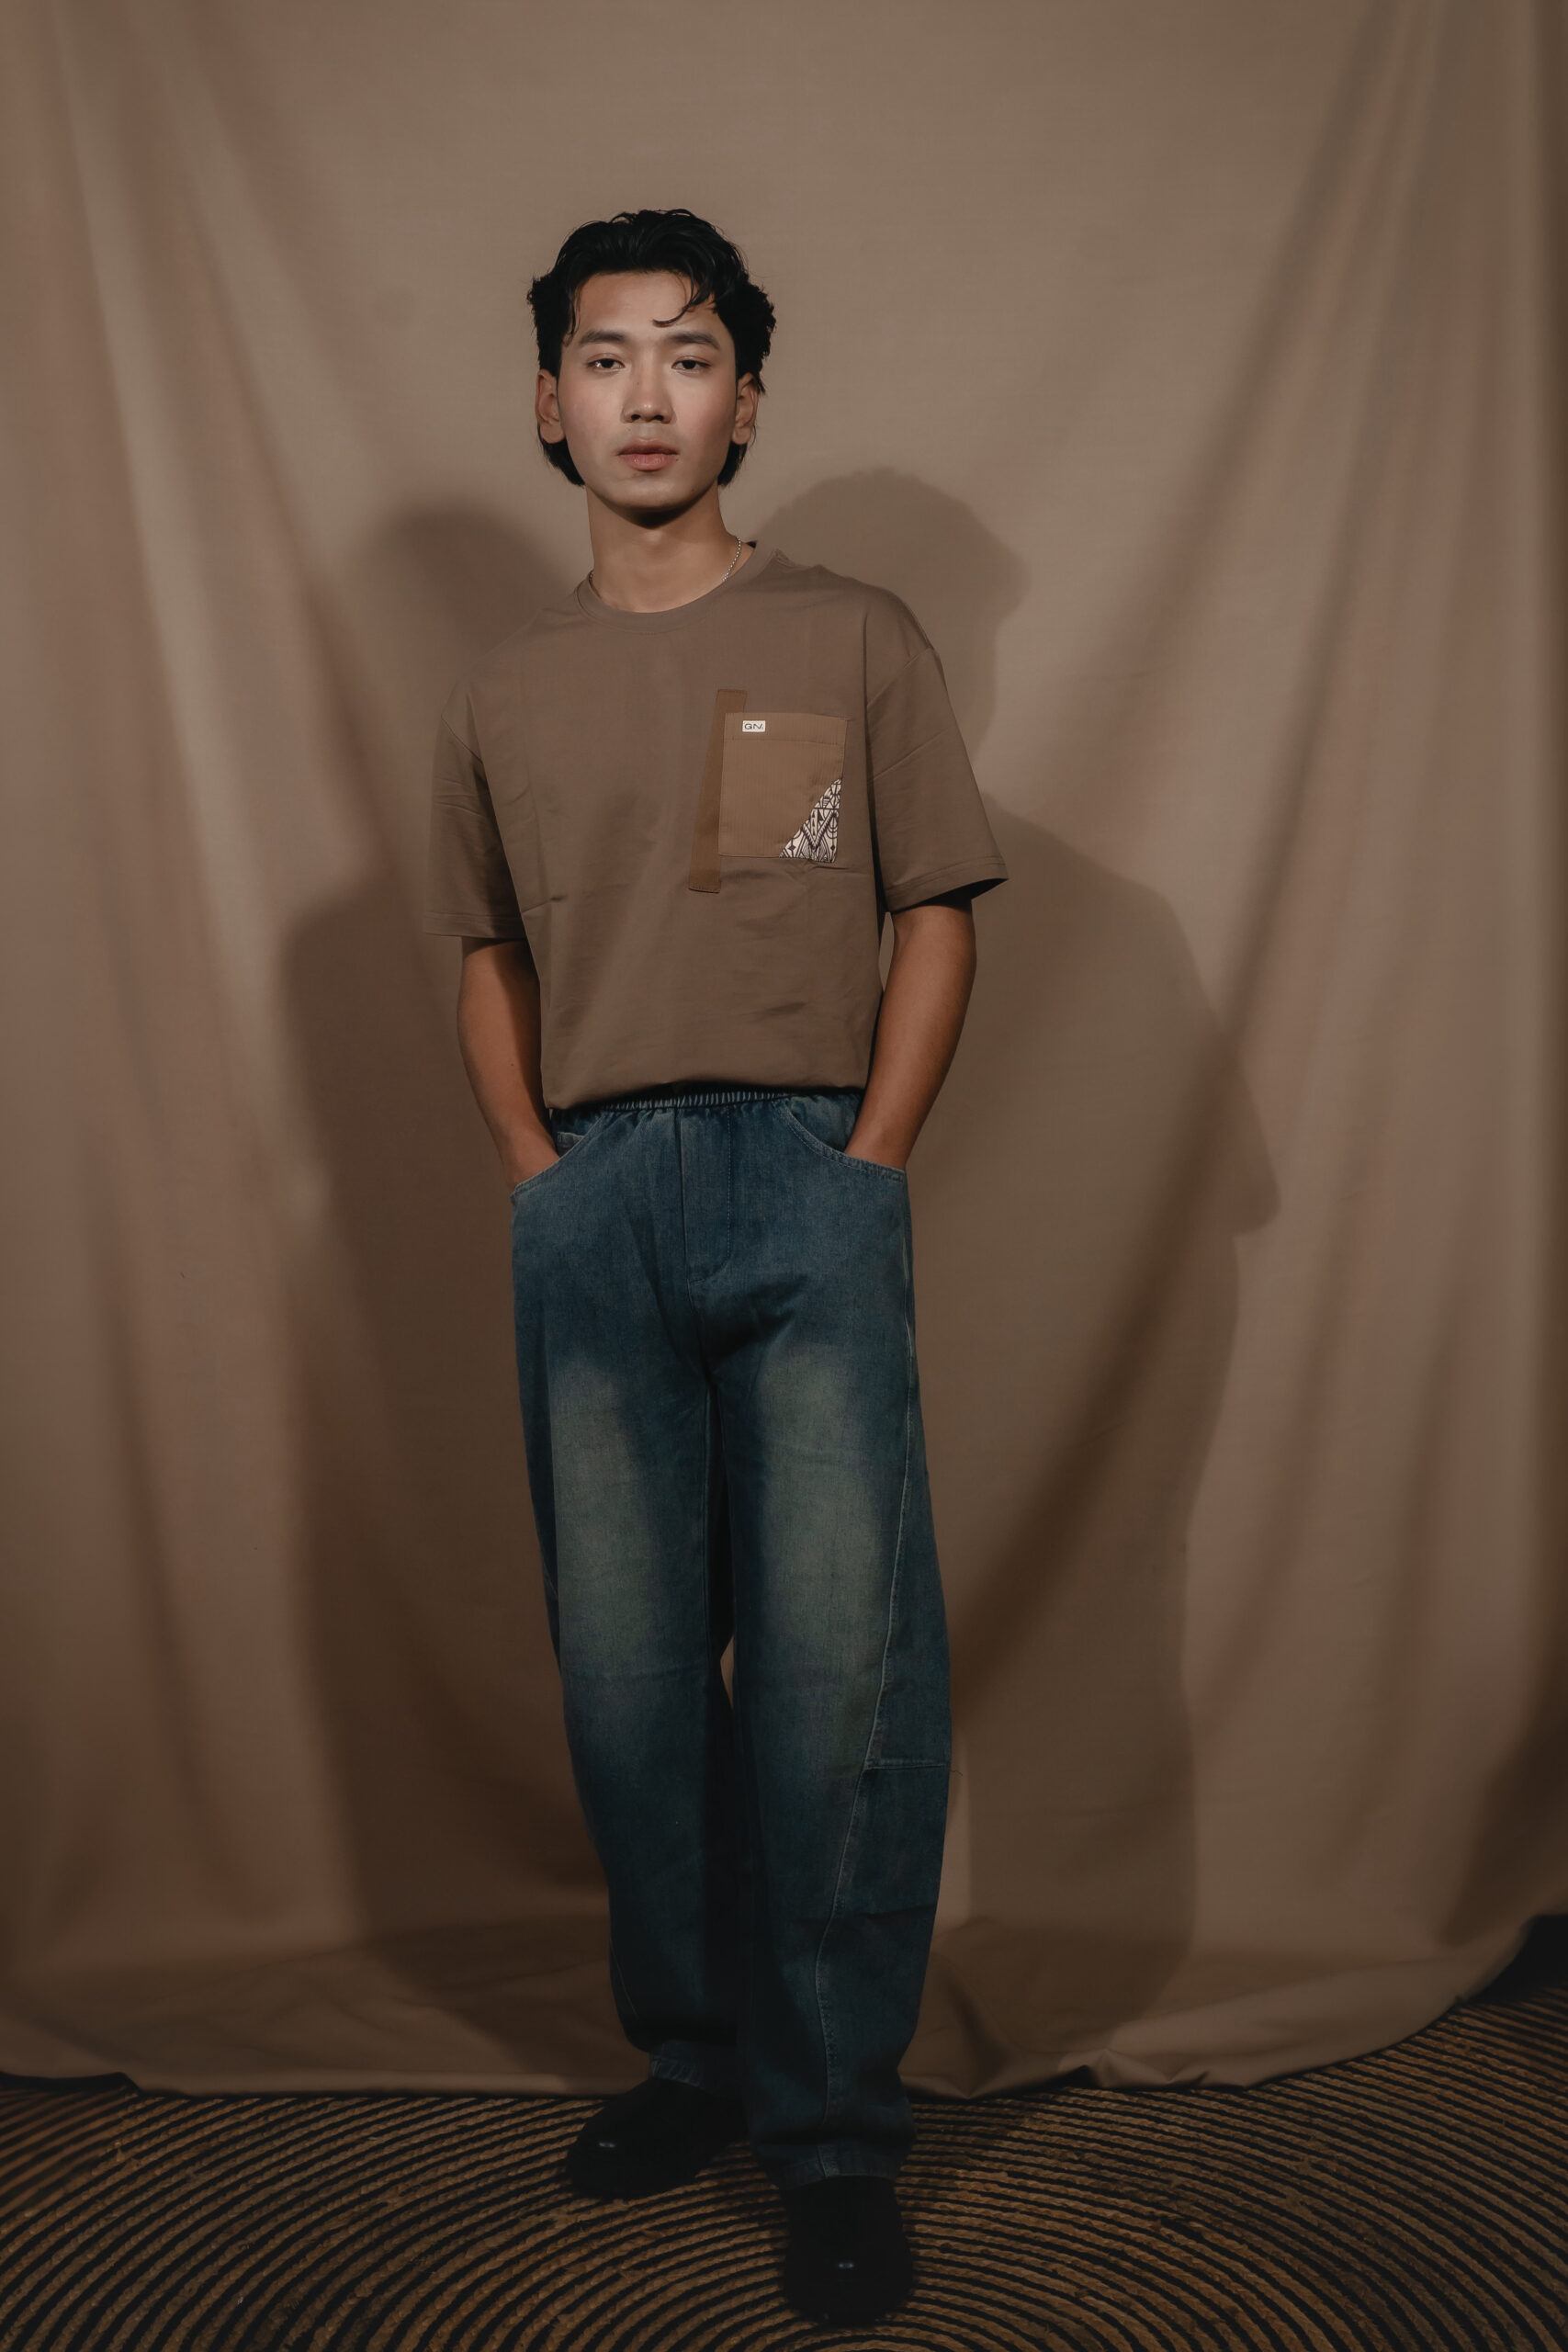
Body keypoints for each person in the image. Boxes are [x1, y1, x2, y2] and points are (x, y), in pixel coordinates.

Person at [424, 206, 1007, 2329]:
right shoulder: (500, 685)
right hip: (593, 1193)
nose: (645, 394)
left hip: (802, 1174)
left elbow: (931, 902)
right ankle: (691, 2053)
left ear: (745, 400)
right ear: (547, 404)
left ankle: (833, 2129)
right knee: (631, 1680)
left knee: (838, 1684)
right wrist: (534, 1169)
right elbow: (484, 944)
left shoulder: (849, 634)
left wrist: (868, 1163)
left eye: (688, 356)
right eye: (606, 357)